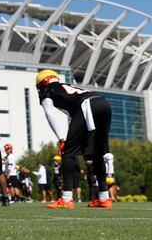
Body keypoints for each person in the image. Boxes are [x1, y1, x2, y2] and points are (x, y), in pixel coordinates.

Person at [35, 69, 113, 209]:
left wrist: (61, 138)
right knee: (98, 154)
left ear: (42, 83)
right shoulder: (67, 86)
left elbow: (49, 112)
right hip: (103, 104)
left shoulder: (48, 89)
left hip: (87, 106)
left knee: (67, 152)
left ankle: (66, 198)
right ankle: (104, 198)